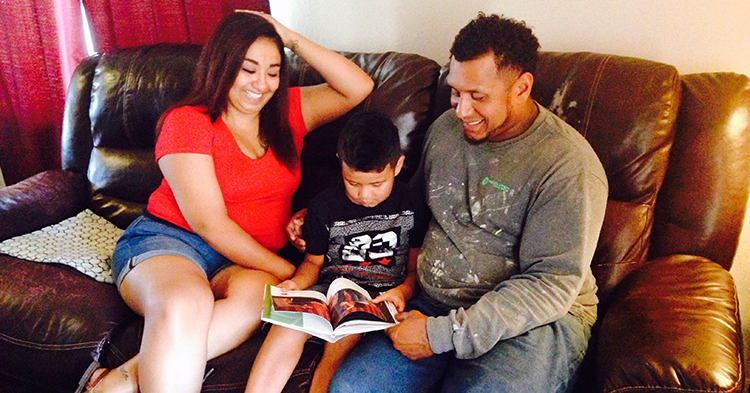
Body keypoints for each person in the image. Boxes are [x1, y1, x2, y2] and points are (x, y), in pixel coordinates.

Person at [83, 10, 373, 393]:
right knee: (188, 303)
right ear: (222, 66)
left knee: (258, 301)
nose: (262, 84)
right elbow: (210, 224)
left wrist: (288, 37)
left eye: (273, 71)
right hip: (171, 242)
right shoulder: (187, 121)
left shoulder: (287, 113)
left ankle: (123, 376)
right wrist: (292, 273)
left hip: (241, 262)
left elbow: (358, 86)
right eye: (248, 69)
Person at [327, 13, 608, 393]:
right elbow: (407, 207)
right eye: (456, 92)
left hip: (532, 324)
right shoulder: (445, 131)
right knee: (350, 389)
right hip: (433, 303)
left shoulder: (567, 165)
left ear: (522, 88)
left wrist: (442, 334)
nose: (460, 110)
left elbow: (550, 284)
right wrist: (325, 217)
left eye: (478, 96)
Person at [245, 112, 424, 393]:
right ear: (340, 160)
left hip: (378, 297)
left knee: (347, 332)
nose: (365, 195)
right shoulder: (323, 206)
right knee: (287, 324)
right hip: (328, 290)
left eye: (377, 184)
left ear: (398, 165)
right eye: (354, 183)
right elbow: (312, 264)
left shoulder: (412, 204)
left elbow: (414, 270)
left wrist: (405, 291)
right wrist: (295, 285)